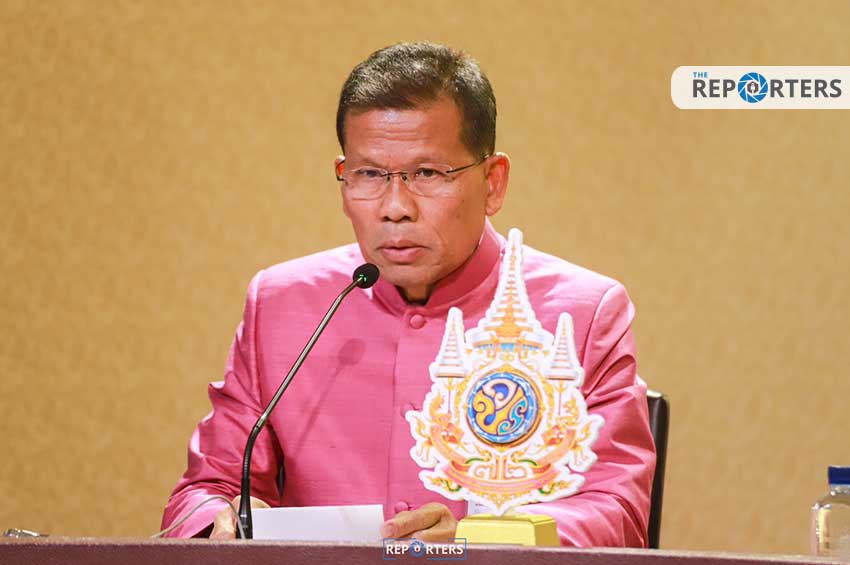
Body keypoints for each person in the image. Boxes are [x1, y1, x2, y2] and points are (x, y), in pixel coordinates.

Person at [161, 41, 656, 547]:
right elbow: (207, 489)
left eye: (427, 174)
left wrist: (478, 541)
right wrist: (219, 519)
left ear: (493, 183)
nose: (395, 207)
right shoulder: (282, 305)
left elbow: (615, 510)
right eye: (370, 174)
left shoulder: (581, 315)